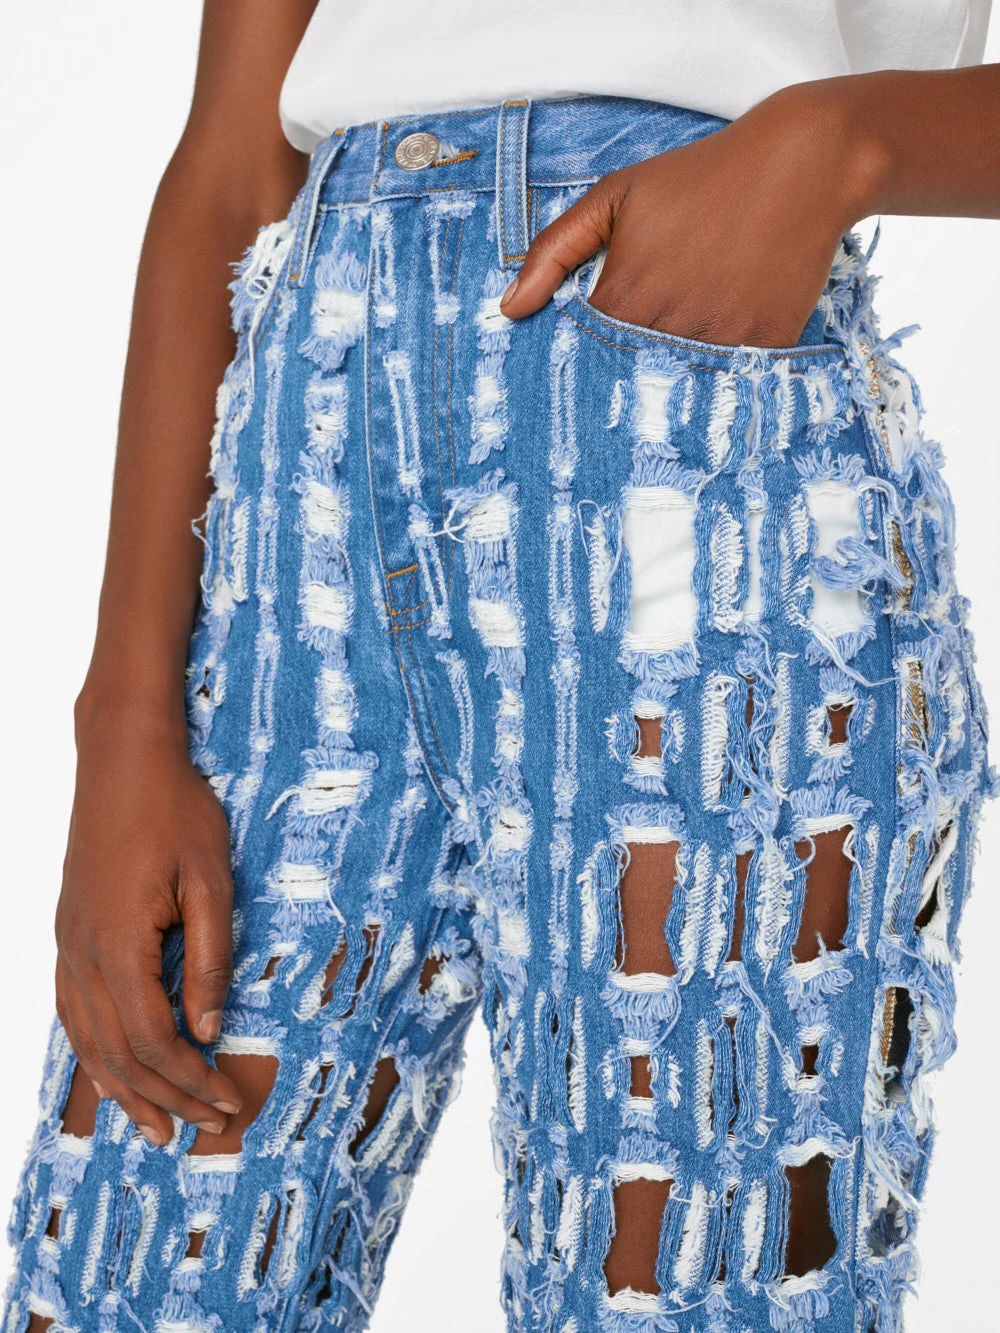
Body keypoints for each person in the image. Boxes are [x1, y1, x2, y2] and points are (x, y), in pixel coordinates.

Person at [4, 3, 999, 1331]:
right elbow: (234, 165)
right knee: (123, 1281)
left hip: (691, 454)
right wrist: (126, 722)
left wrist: (843, 143)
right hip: (303, 486)